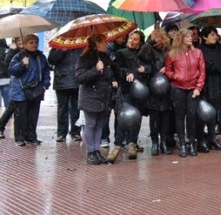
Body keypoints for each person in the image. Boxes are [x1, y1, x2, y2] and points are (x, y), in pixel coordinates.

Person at [75, 34, 117, 165]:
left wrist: (113, 80)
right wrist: (95, 69)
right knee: (91, 123)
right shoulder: (85, 58)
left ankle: (96, 150)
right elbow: (80, 77)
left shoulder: (105, 57)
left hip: (104, 95)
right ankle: (90, 152)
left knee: (100, 124)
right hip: (90, 96)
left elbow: (109, 74)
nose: (107, 44)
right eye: (105, 42)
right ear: (98, 44)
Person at [164, 28, 206, 157]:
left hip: (193, 88)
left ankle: (192, 143)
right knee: (179, 116)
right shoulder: (172, 53)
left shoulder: (198, 52)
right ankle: (182, 143)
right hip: (178, 88)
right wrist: (176, 76)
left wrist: (198, 88)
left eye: (190, 36)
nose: (190, 38)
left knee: (192, 116)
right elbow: (167, 71)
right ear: (180, 38)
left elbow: (202, 72)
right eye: (187, 36)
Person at [109, 31, 148, 162]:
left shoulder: (143, 54)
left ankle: (132, 143)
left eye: (135, 39)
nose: (131, 40)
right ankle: (118, 144)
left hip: (140, 90)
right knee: (123, 116)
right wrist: (127, 73)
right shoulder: (121, 53)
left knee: (137, 117)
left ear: (140, 42)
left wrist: (146, 69)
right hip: (125, 90)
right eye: (131, 37)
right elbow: (117, 68)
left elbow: (150, 66)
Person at [7, 34, 51, 146]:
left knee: (33, 115)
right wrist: (22, 64)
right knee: (20, 115)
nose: (34, 44)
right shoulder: (18, 56)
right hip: (21, 91)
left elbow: (46, 71)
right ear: (25, 44)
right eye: (31, 42)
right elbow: (12, 70)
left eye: (35, 42)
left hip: (36, 89)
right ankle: (20, 137)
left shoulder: (41, 57)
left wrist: (45, 84)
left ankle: (31, 137)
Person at [196, 26, 221, 150]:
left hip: (218, 84)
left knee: (215, 112)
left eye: (215, 34)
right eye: (212, 34)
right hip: (205, 84)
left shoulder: (219, 47)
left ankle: (212, 137)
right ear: (204, 37)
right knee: (203, 112)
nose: (215, 37)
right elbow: (207, 66)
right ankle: (200, 139)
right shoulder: (199, 49)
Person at [139, 29, 174, 155]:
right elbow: (142, 60)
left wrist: (168, 68)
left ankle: (163, 141)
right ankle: (154, 141)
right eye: (155, 37)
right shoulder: (148, 48)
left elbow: (175, 63)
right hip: (153, 86)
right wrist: (149, 42)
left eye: (159, 37)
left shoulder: (168, 50)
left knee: (165, 115)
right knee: (154, 116)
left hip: (166, 86)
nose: (157, 39)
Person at [47, 47, 82, 142]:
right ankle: (61, 133)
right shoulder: (58, 45)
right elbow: (51, 60)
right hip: (61, 81)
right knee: (62, 108)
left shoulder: (80, 45)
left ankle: (75, 132)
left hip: (77, 81)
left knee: (76, 108)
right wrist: (61, 50)